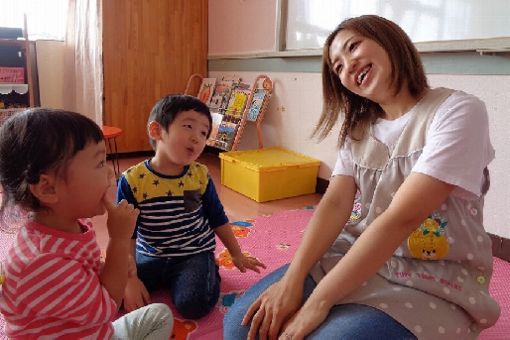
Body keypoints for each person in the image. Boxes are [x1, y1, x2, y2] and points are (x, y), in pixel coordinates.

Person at [224, 15, 500, 340]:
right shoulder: (358, 130)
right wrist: (292, 281)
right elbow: (334, 204)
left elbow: (401, 218)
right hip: (355, 254)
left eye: (353, 47)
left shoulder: (456, 111)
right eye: (337, 67)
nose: (347, 67)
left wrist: (318, 302)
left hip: (432, 274)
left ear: (389, 40)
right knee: (241, 327)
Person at [0, 108, 173, 339]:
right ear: (48, 188)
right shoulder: (42, 261)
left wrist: (115, 266)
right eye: (100, 163)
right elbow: (106, 309)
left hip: (93, 331)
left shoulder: (71, 226)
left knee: (160, 315)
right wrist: (119, 242)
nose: (111, 174)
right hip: (95, 323)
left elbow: (87, 271)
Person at [117, 94, 266, 319]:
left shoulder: (198, 176)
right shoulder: (132, 180)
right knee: (113, 292)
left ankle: (206, 269)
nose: (197, 138)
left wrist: (236, 254)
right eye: (188, 126)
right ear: (157, 131)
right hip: (150, 256)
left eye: (204, 133)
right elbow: (126, 234)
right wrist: (129, 278)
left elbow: (217, 217)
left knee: (194, 304)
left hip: (193, 254)